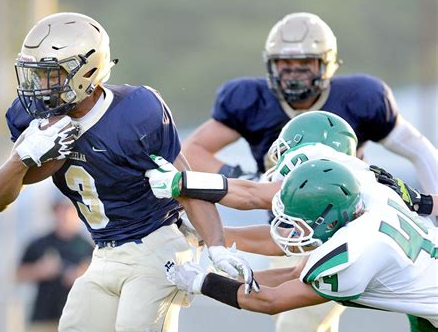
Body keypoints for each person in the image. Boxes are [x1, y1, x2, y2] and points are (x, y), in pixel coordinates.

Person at [0, 12, 257, 332]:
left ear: (86, 72)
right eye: (36, 75)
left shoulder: (136, 112)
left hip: (159, 241)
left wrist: (215, 244)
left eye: (50, 75)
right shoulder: (33, 119)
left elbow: (185, 182)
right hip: (104, 250)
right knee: (76, 331)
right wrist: (22, 157)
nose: (39, 87)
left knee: (136, 330)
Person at [147, 110, 437, 332]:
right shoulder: (367, 188)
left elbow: (271, 301)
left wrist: (202, 283)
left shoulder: (356, 252)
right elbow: (291, 273)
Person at [182, 12, 437, 195]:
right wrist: (243, 178)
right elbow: (192, 150)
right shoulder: (250, 101)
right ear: (271, 64)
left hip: (358, 220)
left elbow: (421, 152)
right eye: (286, 65)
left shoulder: (362, 98)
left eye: (304, 64)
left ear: (325, 64)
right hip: (287, 229)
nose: (294, 73)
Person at [16, 197, 93, 332]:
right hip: (43, 320)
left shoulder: (87, 246)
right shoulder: (39, 243)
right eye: (60, 211)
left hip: (76, 322)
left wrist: (81, 276)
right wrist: (39, 270)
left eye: (68, 211)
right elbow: (17, 274)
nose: (63, 215)